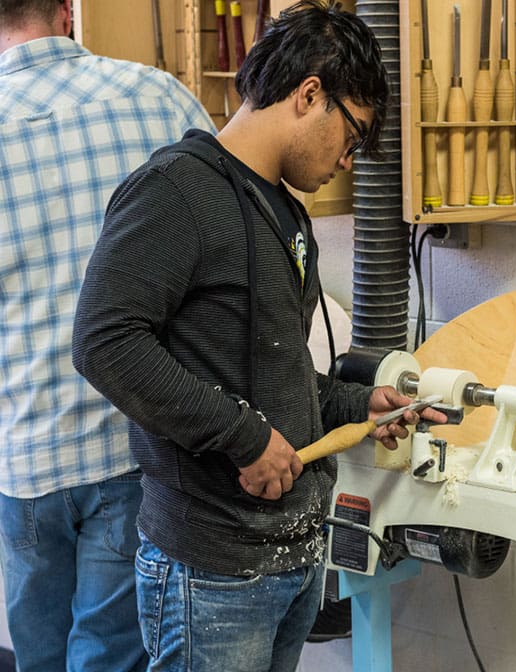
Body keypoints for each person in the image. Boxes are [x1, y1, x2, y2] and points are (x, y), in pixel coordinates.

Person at [72, 1, 446, 670]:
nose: (349, 160)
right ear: (309, 95)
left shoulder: (284, 214)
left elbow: (277, 375)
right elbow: (105, 342)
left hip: (290, 559)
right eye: (352, 135)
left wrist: (356, 405)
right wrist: (244, 439)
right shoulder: (175, 191)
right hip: (211, 571)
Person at [0, 1, 216, 671]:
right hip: (134, 446)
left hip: (23, 456)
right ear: (68, 11)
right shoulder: (157, 96)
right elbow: (233, 245)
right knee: (112, 658)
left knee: (39, 660)